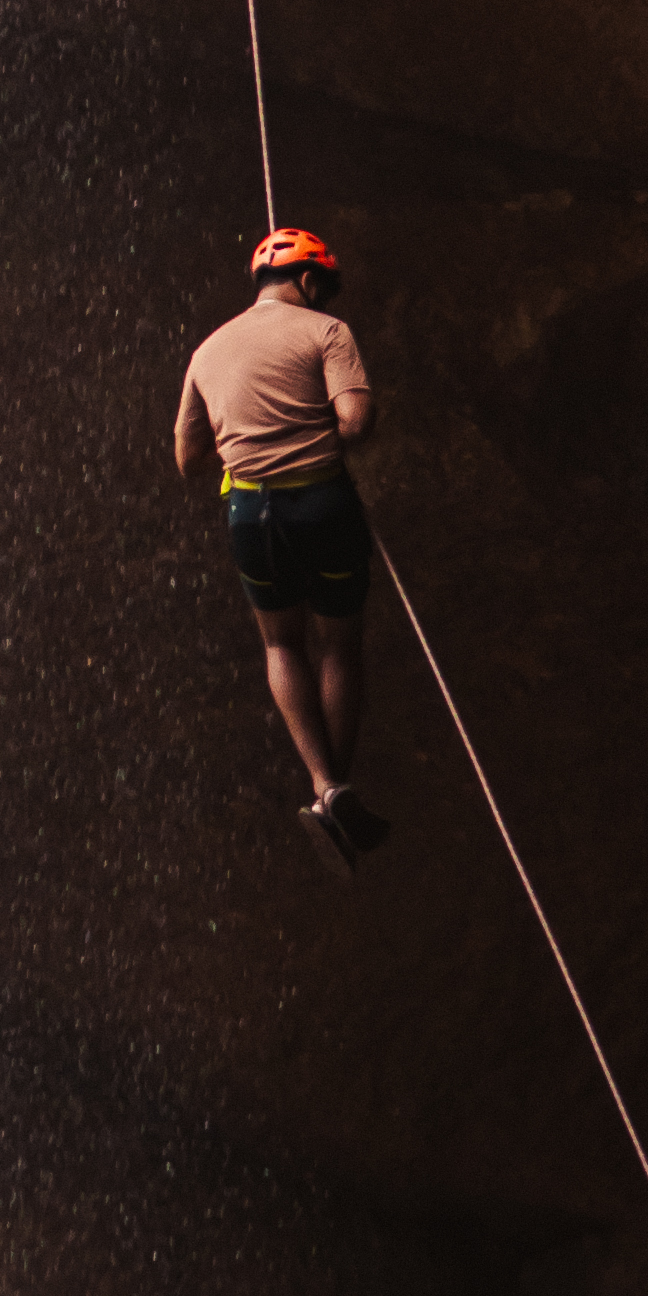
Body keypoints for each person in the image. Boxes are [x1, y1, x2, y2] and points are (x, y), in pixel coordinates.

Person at [176, 225, 382, 847]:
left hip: (249, 516)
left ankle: (324, 786)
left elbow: (187, 460)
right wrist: (303, 429)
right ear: (310, 281)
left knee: (281, 645)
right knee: (338, 647)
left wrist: (247, 439)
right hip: (322, 504)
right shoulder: (327, 332)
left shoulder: (207, 352)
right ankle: (336, 794)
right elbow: (356, 423)